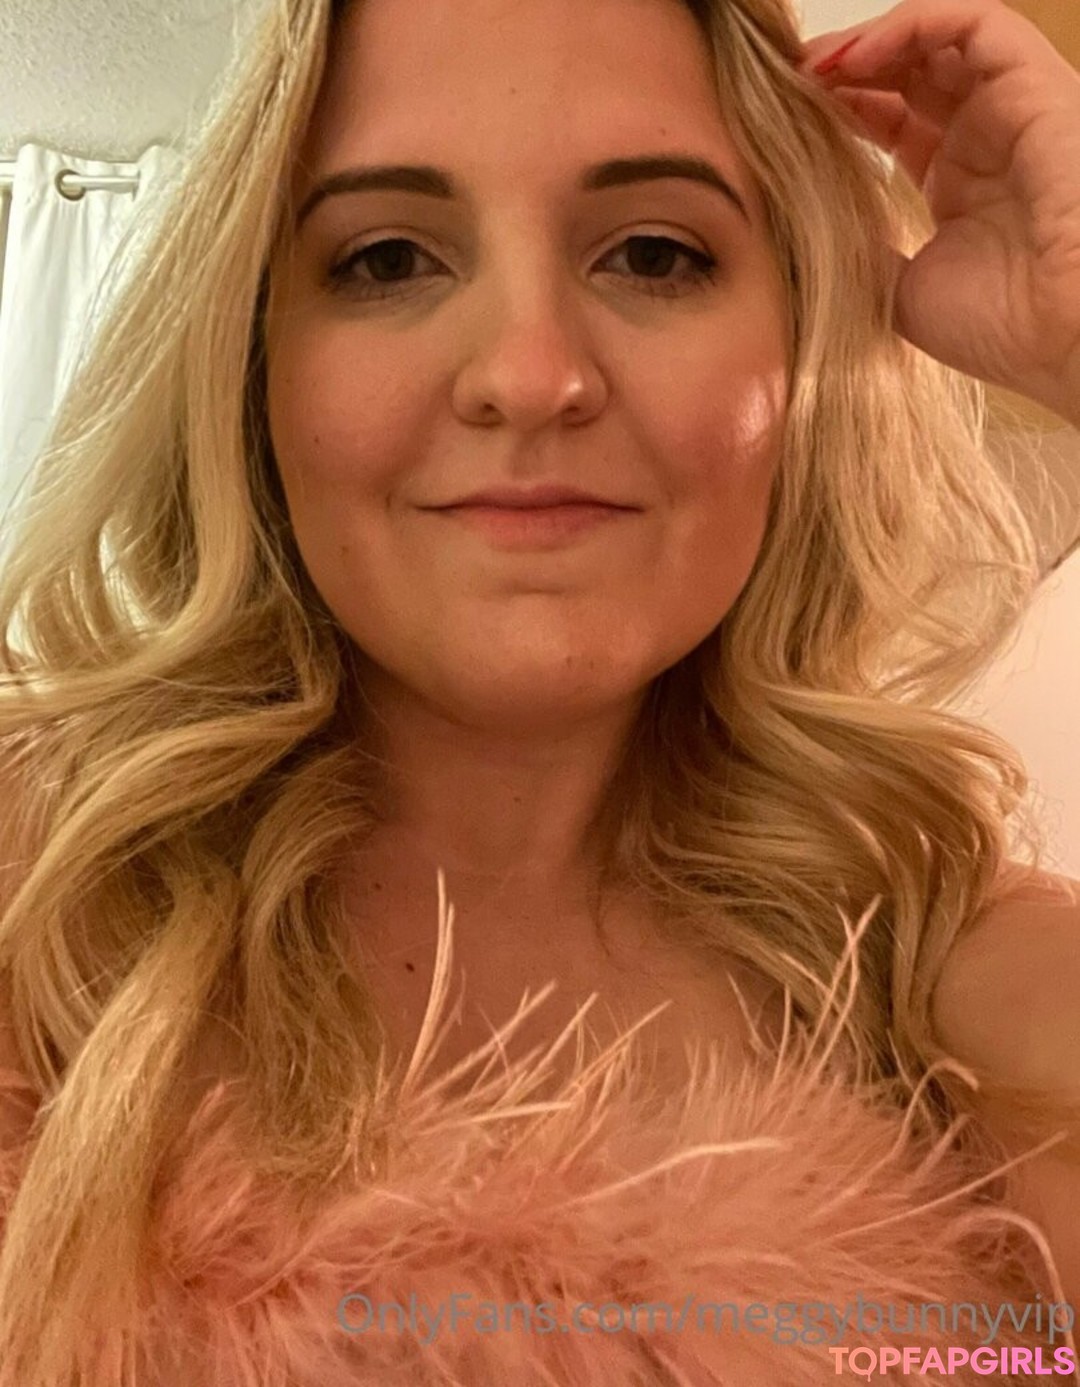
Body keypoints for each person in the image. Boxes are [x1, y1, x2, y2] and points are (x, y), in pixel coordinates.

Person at [0, 0, 1077, 1382]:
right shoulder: (36, 904)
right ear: (253, 362)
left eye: (654, 253)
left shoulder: (972, 999)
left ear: (800, 336)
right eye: (388, 258)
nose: (531, 376)